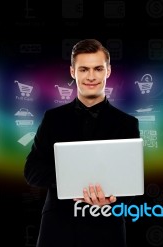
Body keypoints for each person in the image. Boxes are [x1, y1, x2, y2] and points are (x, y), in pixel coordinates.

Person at [24, 39, 140, 247]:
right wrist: (72, 181)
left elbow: (132, 181)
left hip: (107, 227)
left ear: (108, 71)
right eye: (84, 69)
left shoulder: (127, 123)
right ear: (72, 72)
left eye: (98, 68)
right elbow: (32, 171)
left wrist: (111, 202)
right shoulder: (52, 119)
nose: (91, 76)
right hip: (58, 226)